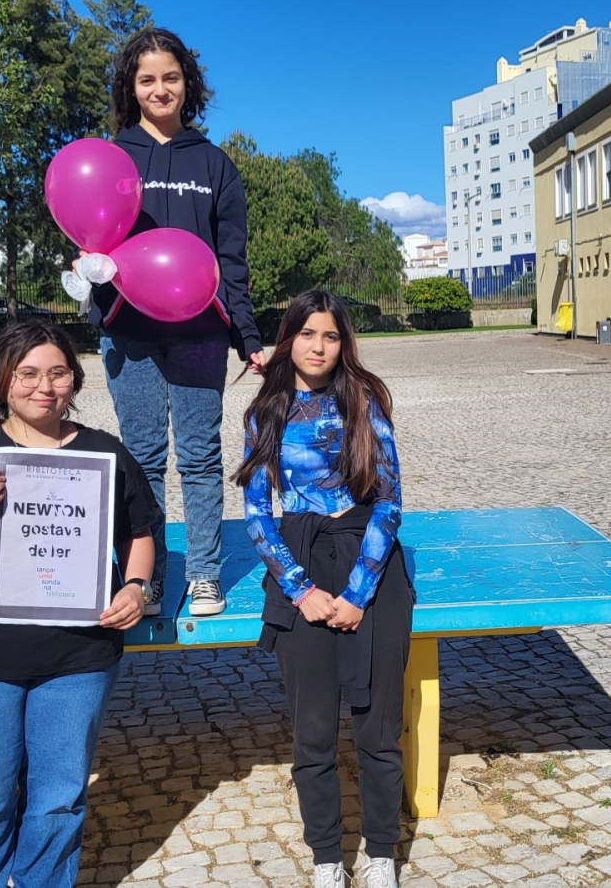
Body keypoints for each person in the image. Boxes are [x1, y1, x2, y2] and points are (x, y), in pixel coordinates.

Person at [0, 321, 159, 888]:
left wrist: (136, 587)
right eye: (28, 374)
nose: (44, 387)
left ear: (75, 380)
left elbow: (138, 534)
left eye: (58, 373)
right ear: (2, 378)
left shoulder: (105, 453)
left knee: (58, 802)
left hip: (78, 661)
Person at [235, 290, 412, 888]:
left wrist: (359, 594)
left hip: (369, 561)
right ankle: (328, 860)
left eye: (330, 336)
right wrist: (301, 590)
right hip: (301, 557)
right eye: (307, 334)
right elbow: (257, 515)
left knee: (377, 728)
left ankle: (381, 853)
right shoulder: (265, 412)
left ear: (344, 343)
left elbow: (389, 502)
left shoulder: (364, 400)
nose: (318, 347)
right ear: (288, 339)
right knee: (312, 733)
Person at [89, 25, 266, 618]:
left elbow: (232, 261)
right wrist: (89, 273)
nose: (159, 89)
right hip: (130, 333)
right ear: (131, 87)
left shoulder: (214, 164)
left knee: (199, 455)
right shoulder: (112, 158)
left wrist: (247, 336)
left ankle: (205, 575)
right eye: (147, 80)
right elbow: (93, 235)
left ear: (187, 84)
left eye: (170, 77)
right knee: (141, 458)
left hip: (199, 333)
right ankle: (149, 579)